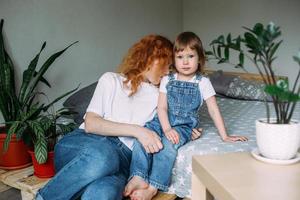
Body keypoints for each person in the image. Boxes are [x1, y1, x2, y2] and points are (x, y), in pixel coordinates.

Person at [35, 34, 202, 200]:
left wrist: (187, 130)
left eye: (171, 67)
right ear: (152, 57)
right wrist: (138, 131)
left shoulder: (162, 95)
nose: (167, 71)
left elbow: (178, 120)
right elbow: (91, 124)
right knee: (103, 156)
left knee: (102, 193)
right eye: (166, 64)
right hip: (86, 145)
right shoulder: (111, 80)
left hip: (123, 163)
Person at [124, 32, 248, 200]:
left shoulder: (202, 82)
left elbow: (213, 109)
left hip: (184, 125)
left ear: (200, 59)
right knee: (143, 138)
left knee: (167, 146)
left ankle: (153, 187)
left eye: (191, 56)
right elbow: (161, 107)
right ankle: (138, 176)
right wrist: (166, 128)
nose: (185, 61)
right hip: (162, 121)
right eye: (180, 56)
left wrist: (225, 136)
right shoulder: (168, 79)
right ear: (174, 60)